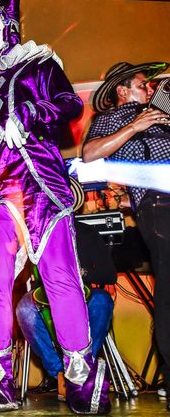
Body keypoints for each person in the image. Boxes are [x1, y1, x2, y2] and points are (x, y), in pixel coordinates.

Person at [0, 0, 110, 414]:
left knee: (60, 278)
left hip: (39, 185)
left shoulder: (37, 64)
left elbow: (70, 105)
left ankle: (79, 372)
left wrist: (31, 112)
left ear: (7, 21)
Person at [82, 61, 170, 411]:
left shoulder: (162, 114)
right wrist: (136, 124)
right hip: (157, 204)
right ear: (122, 90)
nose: (149, 89)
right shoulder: (112, 119)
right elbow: (89, 154)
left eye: (151, 86)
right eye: (142, 84)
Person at [16, 180, 117, 401]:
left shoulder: (88, 233)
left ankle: (83, 370)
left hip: (85, 296)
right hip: (46, 301)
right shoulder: (35, 235)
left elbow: (109, 274)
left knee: (102, 301)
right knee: (24, 309)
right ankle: (60, 373)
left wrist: (81, 275)